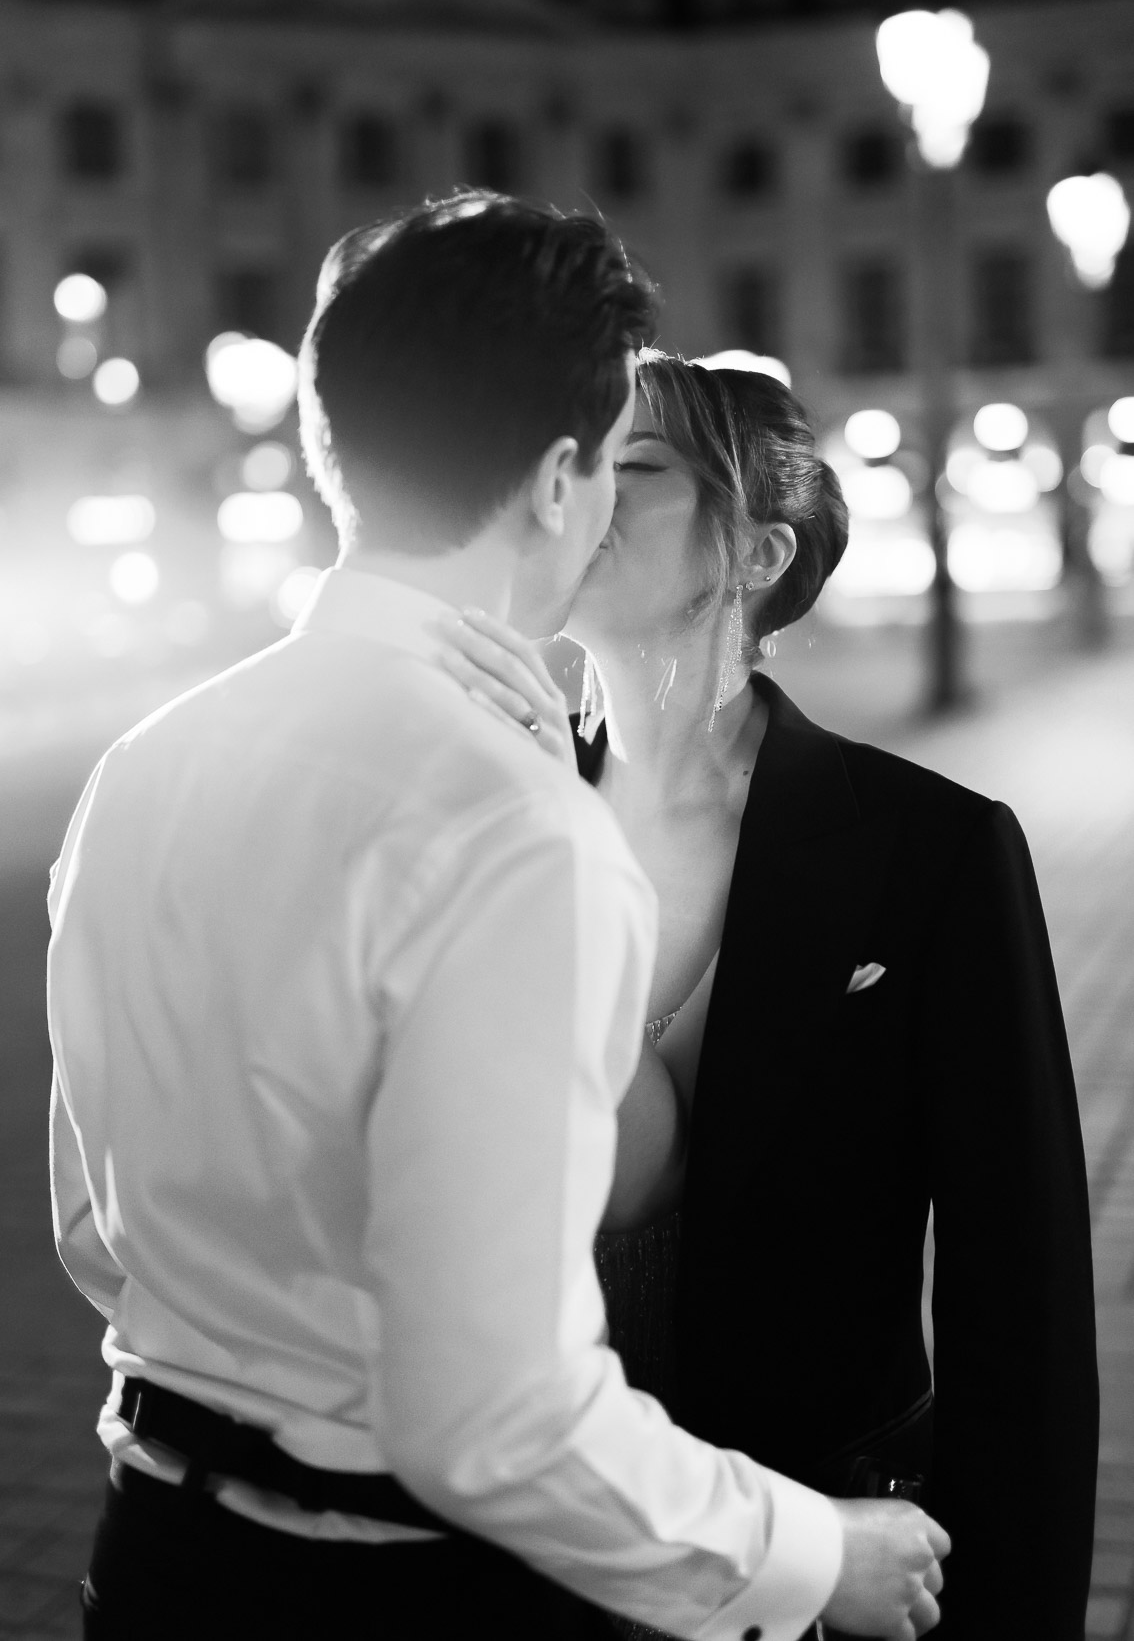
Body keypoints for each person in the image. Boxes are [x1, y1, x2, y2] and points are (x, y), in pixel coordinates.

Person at [46, 198, 951, 1641]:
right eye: (609, 461)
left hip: (153, 1549)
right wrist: (811, 1554)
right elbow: (499, 1420)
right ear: (555, 482)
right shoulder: (518, 828)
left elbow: (97, 1228)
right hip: (398, 1587)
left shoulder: (148, 765)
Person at [435, 351, 1099, 1641]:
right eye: (569, 466)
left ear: (756, 552)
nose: (579, 497)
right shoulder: (483, 828)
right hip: (534, 1549)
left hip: (822, 1553)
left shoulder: (932, 849)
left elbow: (1017, 1299)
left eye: (636, 470)